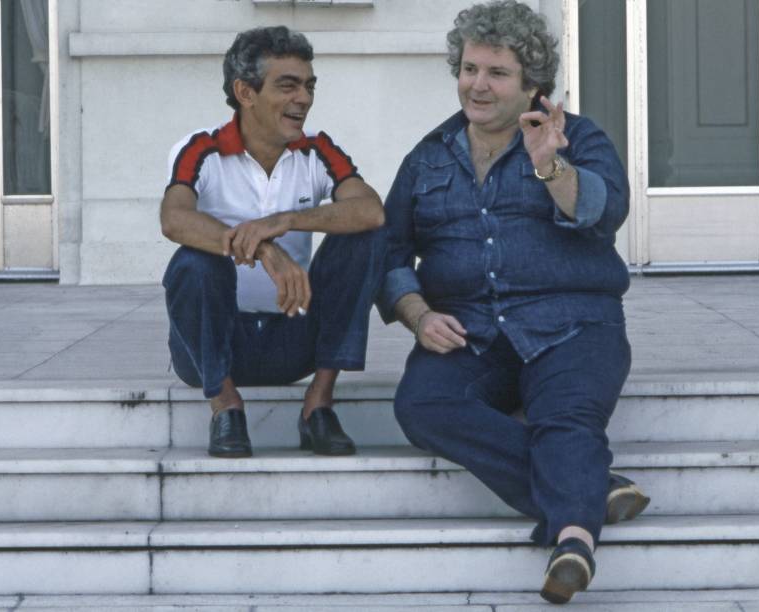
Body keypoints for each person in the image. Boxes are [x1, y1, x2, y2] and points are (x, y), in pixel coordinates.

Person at [376, 1, 648, 604]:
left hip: (573, 324)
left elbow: (605, 215)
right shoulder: (426, 158)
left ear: (532, 83)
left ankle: (573, 542)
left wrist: (550, 165)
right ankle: (589, 487)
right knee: (421, 404)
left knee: (565, 418)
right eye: (470, 68)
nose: (478, 85)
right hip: (471, 333)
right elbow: (389, 253)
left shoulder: (577, 138)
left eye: (497, 73)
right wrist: (418, 314)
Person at [160, 26, 384, 459]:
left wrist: (282, 221)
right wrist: (263, 247)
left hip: (291, 340)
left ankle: (318, 406)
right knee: (193, 263)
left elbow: (371, 210)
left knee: (365, 239)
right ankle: (225, 406)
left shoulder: (316, 150)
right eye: (288, 85)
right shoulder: (201, 149)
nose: (304, 98)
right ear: (245, 92)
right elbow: (173, 219)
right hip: (211, 344)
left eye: (308, 86)